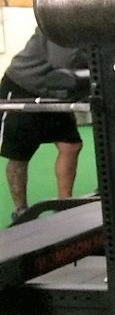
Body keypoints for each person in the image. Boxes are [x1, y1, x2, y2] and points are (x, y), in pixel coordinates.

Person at [0, 26, 87, 223]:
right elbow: (62, 62)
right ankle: (21, 211)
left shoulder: (91, 24)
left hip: (55, 90)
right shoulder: (60, 23)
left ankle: (65, 205)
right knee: (19, 154)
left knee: (70, 145)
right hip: (23, 86)